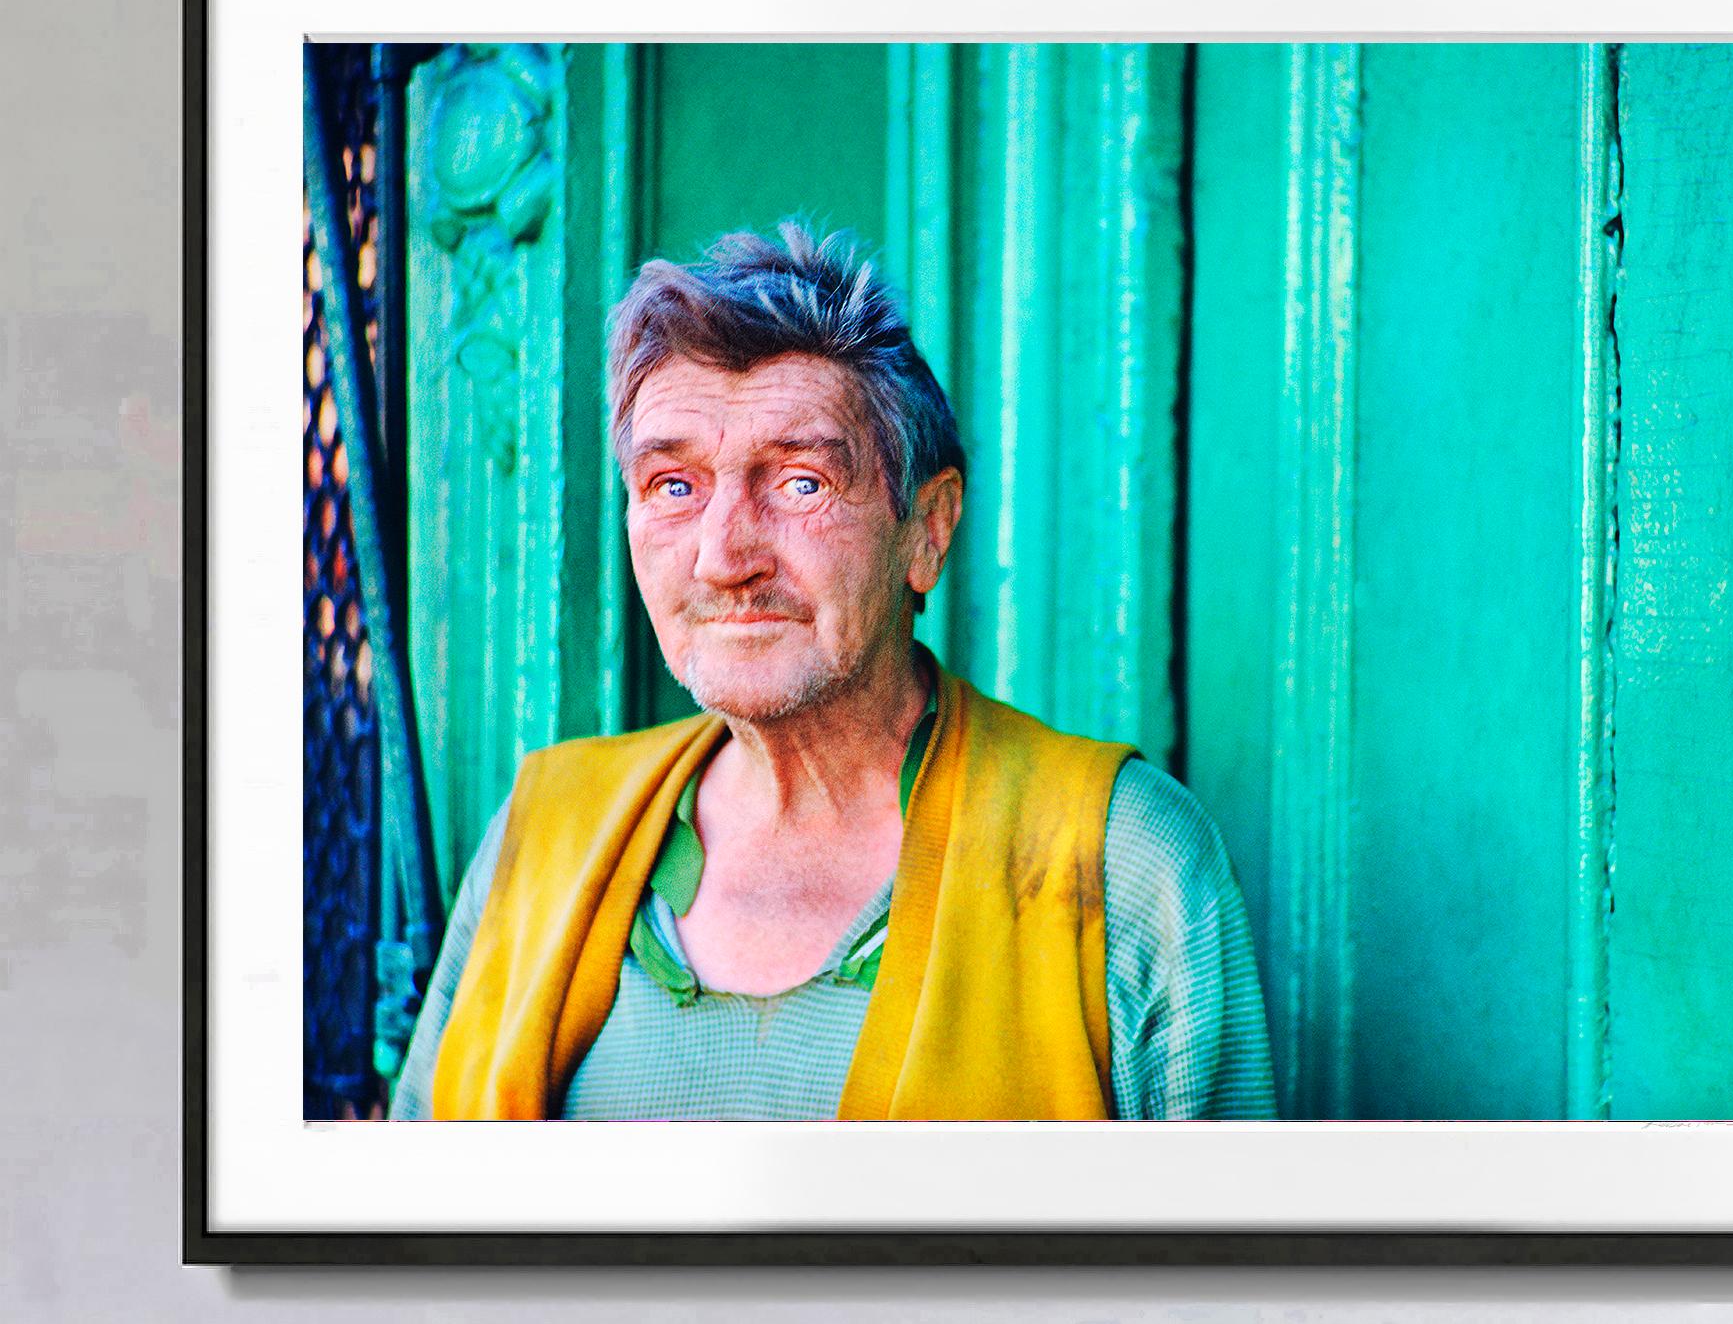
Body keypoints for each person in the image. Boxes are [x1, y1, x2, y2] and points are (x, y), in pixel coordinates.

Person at [392, 221, 1275, 1120]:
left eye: (800, 482)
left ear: (926, 530)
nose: (723, 557)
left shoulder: (1118, 859)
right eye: (673, 488)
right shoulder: (541, 834)